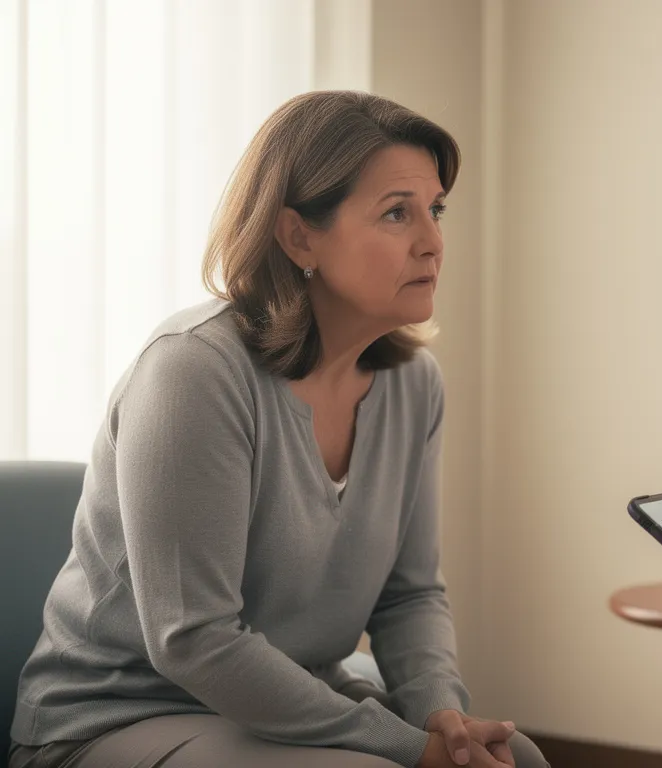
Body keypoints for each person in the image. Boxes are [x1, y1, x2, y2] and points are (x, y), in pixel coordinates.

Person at [7, 92, 548, 768]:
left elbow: (410, 594)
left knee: (515, 758)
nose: (433, 242)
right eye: (396, 213)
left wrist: (444, 716)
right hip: (120, 717)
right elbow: (194, 640)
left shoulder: (414, 385)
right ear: (298, 236)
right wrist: (410, 749)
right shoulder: (194, 374)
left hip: (286, 705)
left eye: (434, 210)